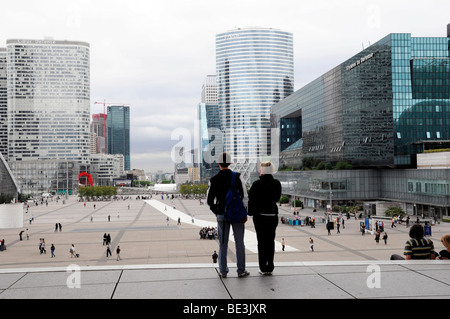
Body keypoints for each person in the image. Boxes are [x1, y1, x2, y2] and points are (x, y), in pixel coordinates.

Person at [207, 152, 249, 278]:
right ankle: (241, 270)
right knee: (239, 243)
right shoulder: (237, 177)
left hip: (222, 215)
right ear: (230, 163)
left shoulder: (213, 180)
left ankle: (223, 271)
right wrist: (244, 212)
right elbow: (244, 196)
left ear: (218, 163)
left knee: (223, 244)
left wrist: (218, 211)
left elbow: (209, 201)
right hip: (236, 214)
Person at [248, 162, 282, 276]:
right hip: (272, 215)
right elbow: (277, 198)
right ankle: (270, 266)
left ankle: (263, 267)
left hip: (260, 216)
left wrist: (250, 212)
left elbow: (251, 200)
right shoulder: (277, 183)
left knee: (261, 242)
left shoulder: (256, 184)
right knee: (270, 241)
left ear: (262, 171)